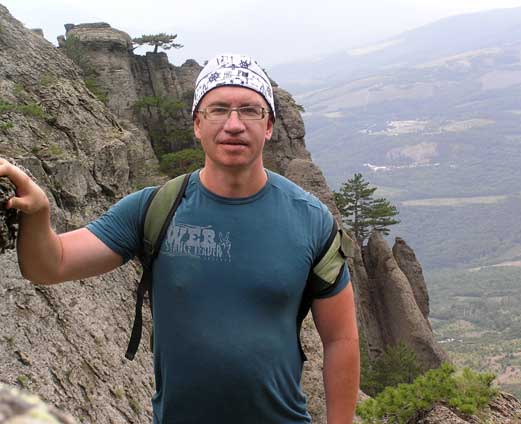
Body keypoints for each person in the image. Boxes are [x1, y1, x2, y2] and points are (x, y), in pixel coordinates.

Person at [0, 53, 359, 424]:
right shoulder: (153, 209)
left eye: (250, 111)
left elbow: (341, 339)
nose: (234, 124)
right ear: (197, 124)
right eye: (218, 109)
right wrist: (38, 213)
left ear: (268, 125)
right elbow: (50, 264)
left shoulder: (311, 220)